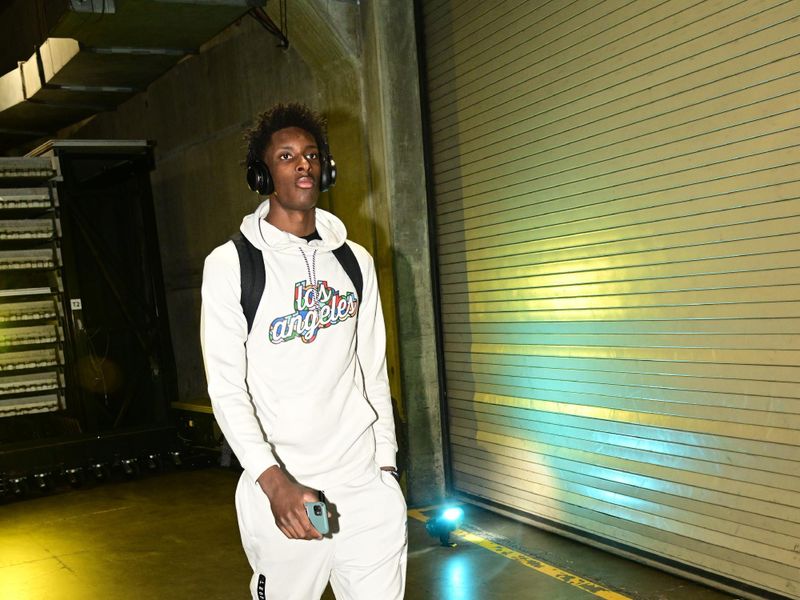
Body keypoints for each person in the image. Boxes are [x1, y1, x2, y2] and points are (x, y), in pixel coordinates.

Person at [200, 103, 407, 600]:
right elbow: (227, 389)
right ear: (262, 173)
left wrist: (386, 467)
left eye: (312, 155)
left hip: (364, 488)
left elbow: (371, 370)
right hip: (287, 489)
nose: (303, 165)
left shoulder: (355, 261)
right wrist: (274, 483)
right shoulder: (231, 265)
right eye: (287, 155)